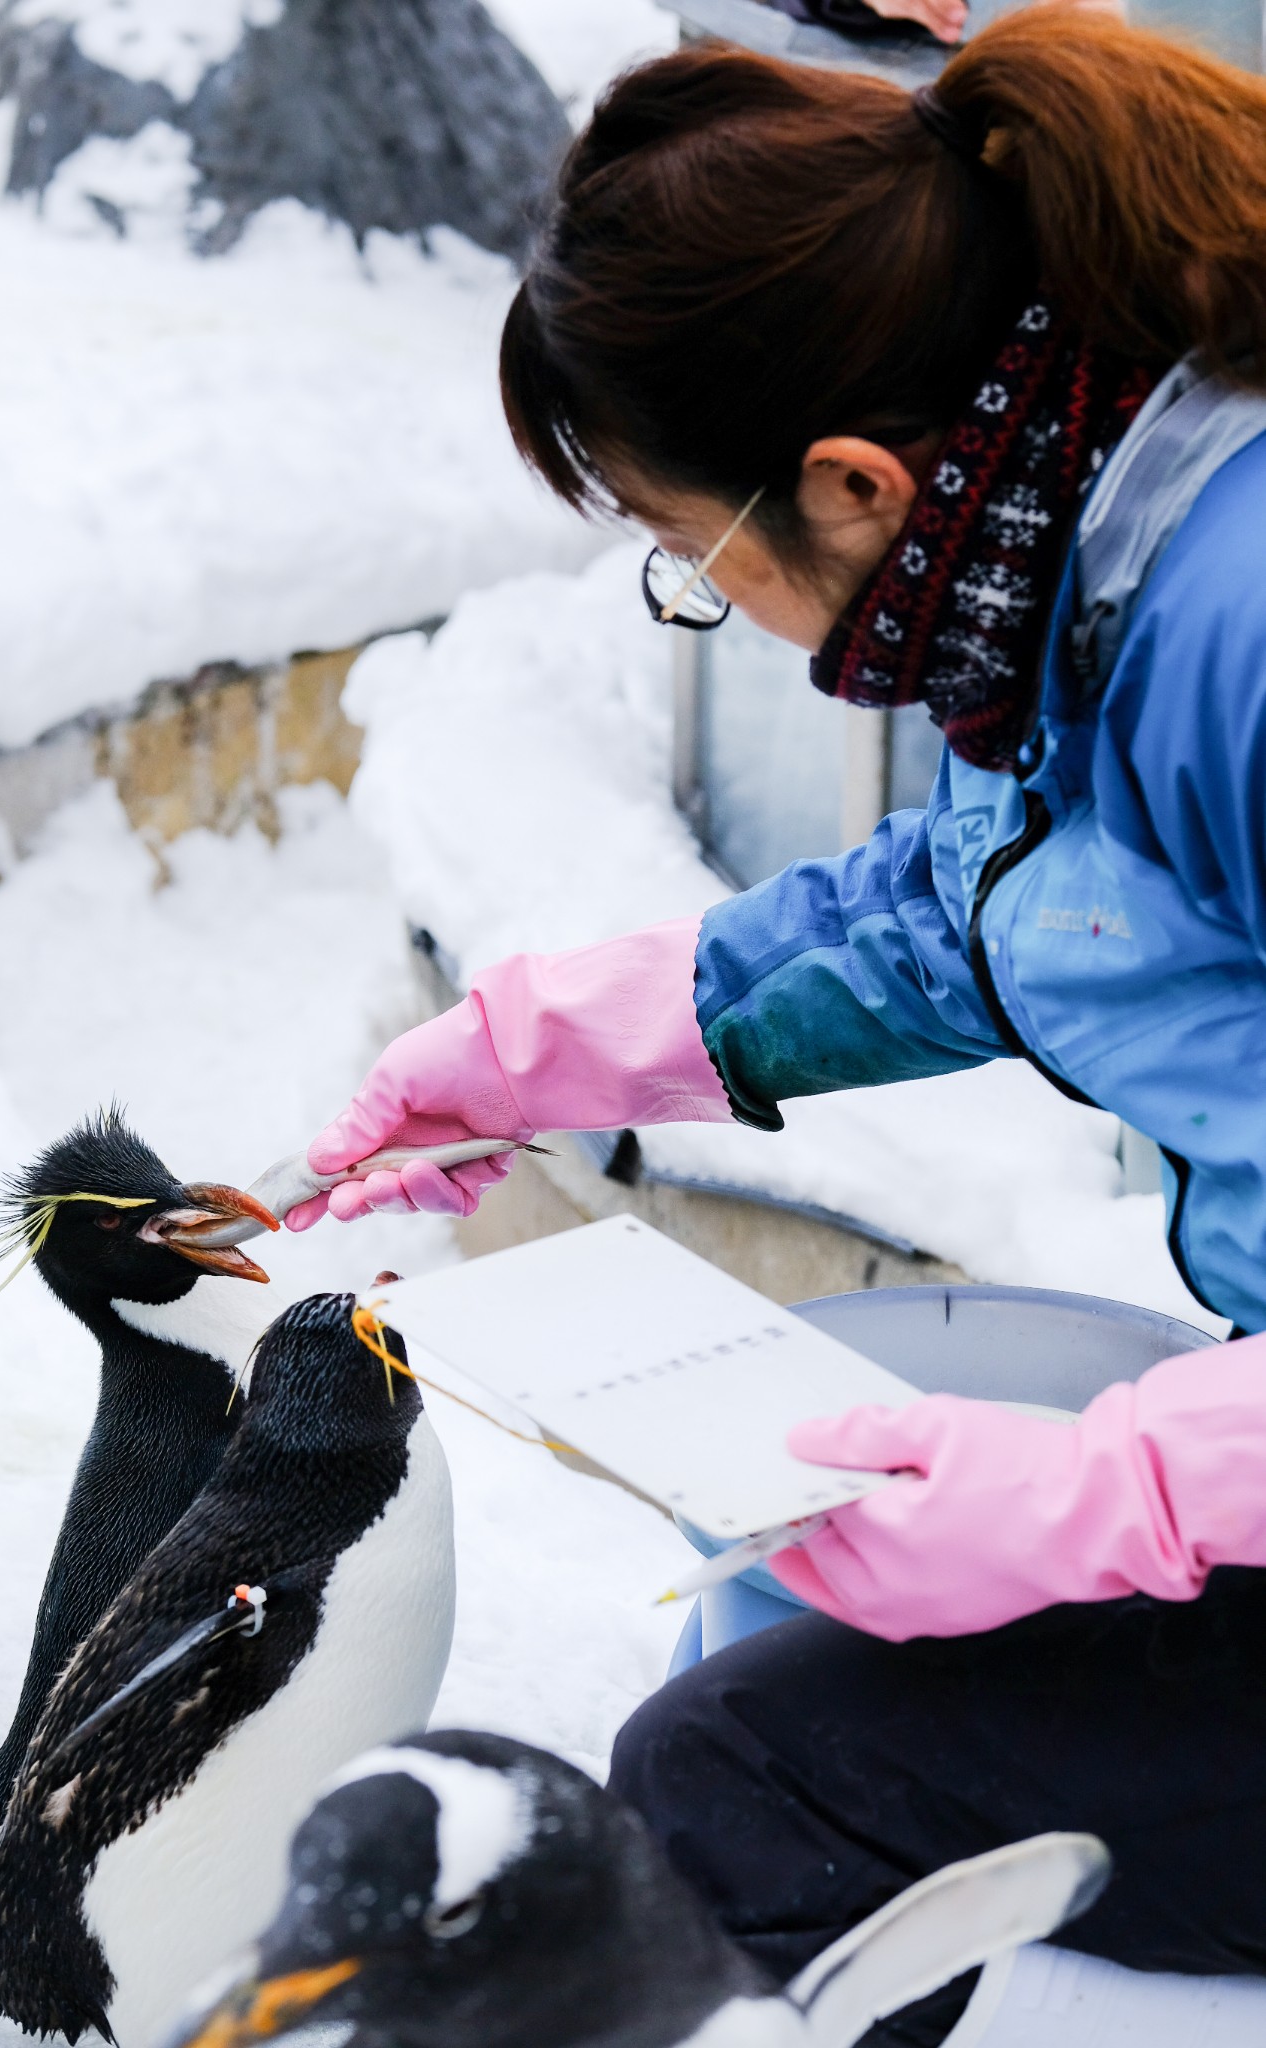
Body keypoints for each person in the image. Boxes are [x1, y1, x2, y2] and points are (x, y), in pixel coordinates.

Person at [288, 11, 1266, 2041]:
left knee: (747, 1778)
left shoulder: (1236, 622)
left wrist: (1133, 1492)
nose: (722, 610)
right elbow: (1011, 900)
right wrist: (539, 1047)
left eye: (689, 561)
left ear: (847, 479)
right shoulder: (1113, 530)